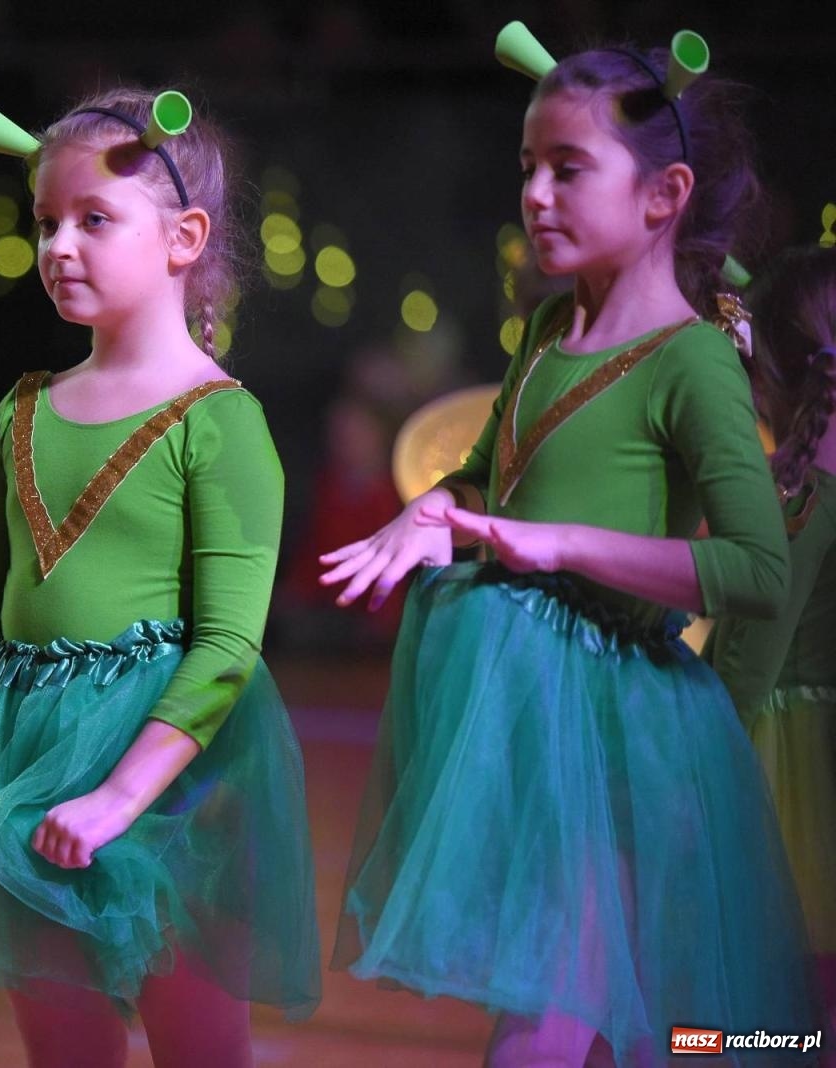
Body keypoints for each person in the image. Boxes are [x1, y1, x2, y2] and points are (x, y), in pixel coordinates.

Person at [322, 25, 818, 1064]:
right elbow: (489, 477)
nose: (535, 194)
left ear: (663, 194)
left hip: (616, 722)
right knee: (578, 1012)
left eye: (568, 168)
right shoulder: (549, 334)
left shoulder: (690, 361)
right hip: (529, 706)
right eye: (527, 168)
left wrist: (554, 544)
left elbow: (756, 570)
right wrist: (434, 511)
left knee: (568, 1011)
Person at [0, 88, 320, 1068]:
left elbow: (228, 643)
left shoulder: (221, 422)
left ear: (183, 238)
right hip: (27, 769)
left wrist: (117, 798)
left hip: (177, 786)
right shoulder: (21, 411)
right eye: (46, 222)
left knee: (199, 1050)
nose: (58, 246)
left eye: (93, 220)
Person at [706, 245, 836, 1056]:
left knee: (749, 1028)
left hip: (782, 768)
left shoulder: (800, 498)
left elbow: (750, 659)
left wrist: (691, 754)